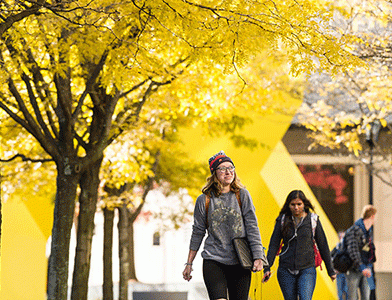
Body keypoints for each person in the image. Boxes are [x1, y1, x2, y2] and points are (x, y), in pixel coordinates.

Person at [182, 150, 266, 300]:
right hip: (214, 260)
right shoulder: (204, 200)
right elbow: (198, 232)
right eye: (223, 168)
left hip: (240, 261)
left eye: (231, 167)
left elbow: (252, 226)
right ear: (214, 173)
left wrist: (258, 256)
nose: (228, 172)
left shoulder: (242, 195)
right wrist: (189, 263)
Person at [262, 190, 336, 300]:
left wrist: (330, 270)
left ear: (304, 204)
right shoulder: (282, 220)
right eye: (293, 205)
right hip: (285, 269)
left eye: (299, 204)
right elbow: (273, 245)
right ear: (288, 205)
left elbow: (323, 245)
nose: (296, 207)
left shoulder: (313, 220)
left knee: (305, 298)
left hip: (307, 268)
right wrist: (267, 268)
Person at [345, 205, 377, 300]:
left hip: (367, 269)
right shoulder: (355, 229)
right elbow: (353, 251)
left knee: (366, 297)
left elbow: (369, 250)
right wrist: (362, 267)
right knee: (352, 297)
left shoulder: (369, 232)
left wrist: (369, 266)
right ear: (372, 216)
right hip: (354, 269)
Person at [333, 231, 349, 300]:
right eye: (340, 237)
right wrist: (334, 269)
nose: (341, 238)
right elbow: (331, 257)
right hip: (339, 273)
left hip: (347, 273)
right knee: (340, 292)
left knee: (347, 291)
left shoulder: (349, 248)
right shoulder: (337, 248)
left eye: (343, 237)